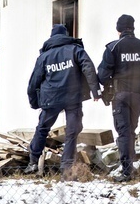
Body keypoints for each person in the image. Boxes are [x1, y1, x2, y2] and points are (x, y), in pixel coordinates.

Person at [26, 24, 101, 178]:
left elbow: (34, 82)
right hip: (72, 98)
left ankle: (33, 161)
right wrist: (95, 90)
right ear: (65, 35)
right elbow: (88, 67)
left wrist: (34, 102)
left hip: (50, 99)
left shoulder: (44, 57)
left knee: (42, 128)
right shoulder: (75, 50)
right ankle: (66, 168)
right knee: (72, 132)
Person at [98, 14, 140, 182]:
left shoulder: (113, 48)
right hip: (138, 95)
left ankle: (127, 170)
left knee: (124, 131)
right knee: (131, 129)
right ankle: (130, 164)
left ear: (118, 29)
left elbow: (102, 75)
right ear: (133, 28)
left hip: (120, 96)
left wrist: (110, 83)